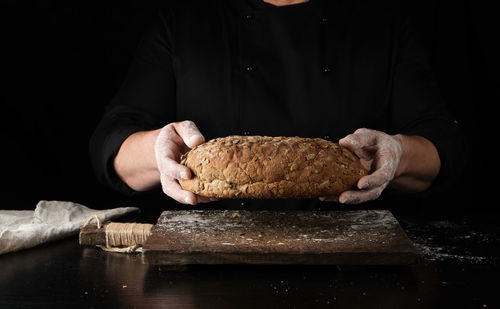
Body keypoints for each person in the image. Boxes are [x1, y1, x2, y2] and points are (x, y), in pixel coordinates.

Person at [89, 0, 465, 210]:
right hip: (206, 263)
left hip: (354, 262)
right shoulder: (186, 19)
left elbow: (443, 144)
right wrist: (157, 150)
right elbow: (112, 142)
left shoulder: (381, 21)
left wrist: (398, 153)